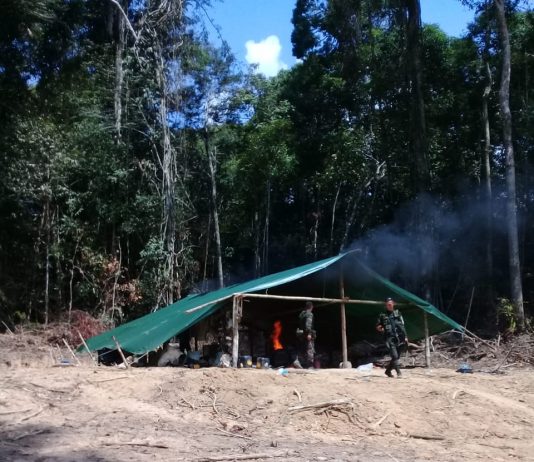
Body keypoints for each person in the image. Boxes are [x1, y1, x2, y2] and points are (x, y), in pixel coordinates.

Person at [376, 297, 408, 378]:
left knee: (397, 357)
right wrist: (380, 328)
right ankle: (399, 373)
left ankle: (388, 371)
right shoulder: (382, 315)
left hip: (399, 338)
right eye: (388, 305)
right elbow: (378, 326)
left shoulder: (398, 313)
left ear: (393, 304)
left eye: (390, 304)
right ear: (386, 305)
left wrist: (405, 336)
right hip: (389, 338)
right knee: (394, 356)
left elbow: (402, 326)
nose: (389, 306)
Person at [295, 301, 316, 368]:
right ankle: (310, 365)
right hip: (307, 334)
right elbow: (308, 325)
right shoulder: (309, 314)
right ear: (311, 307)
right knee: (310, 349)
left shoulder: (302, 314)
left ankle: (299, 362)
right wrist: (309, 333)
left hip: (302, 335)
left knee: (302, 349)